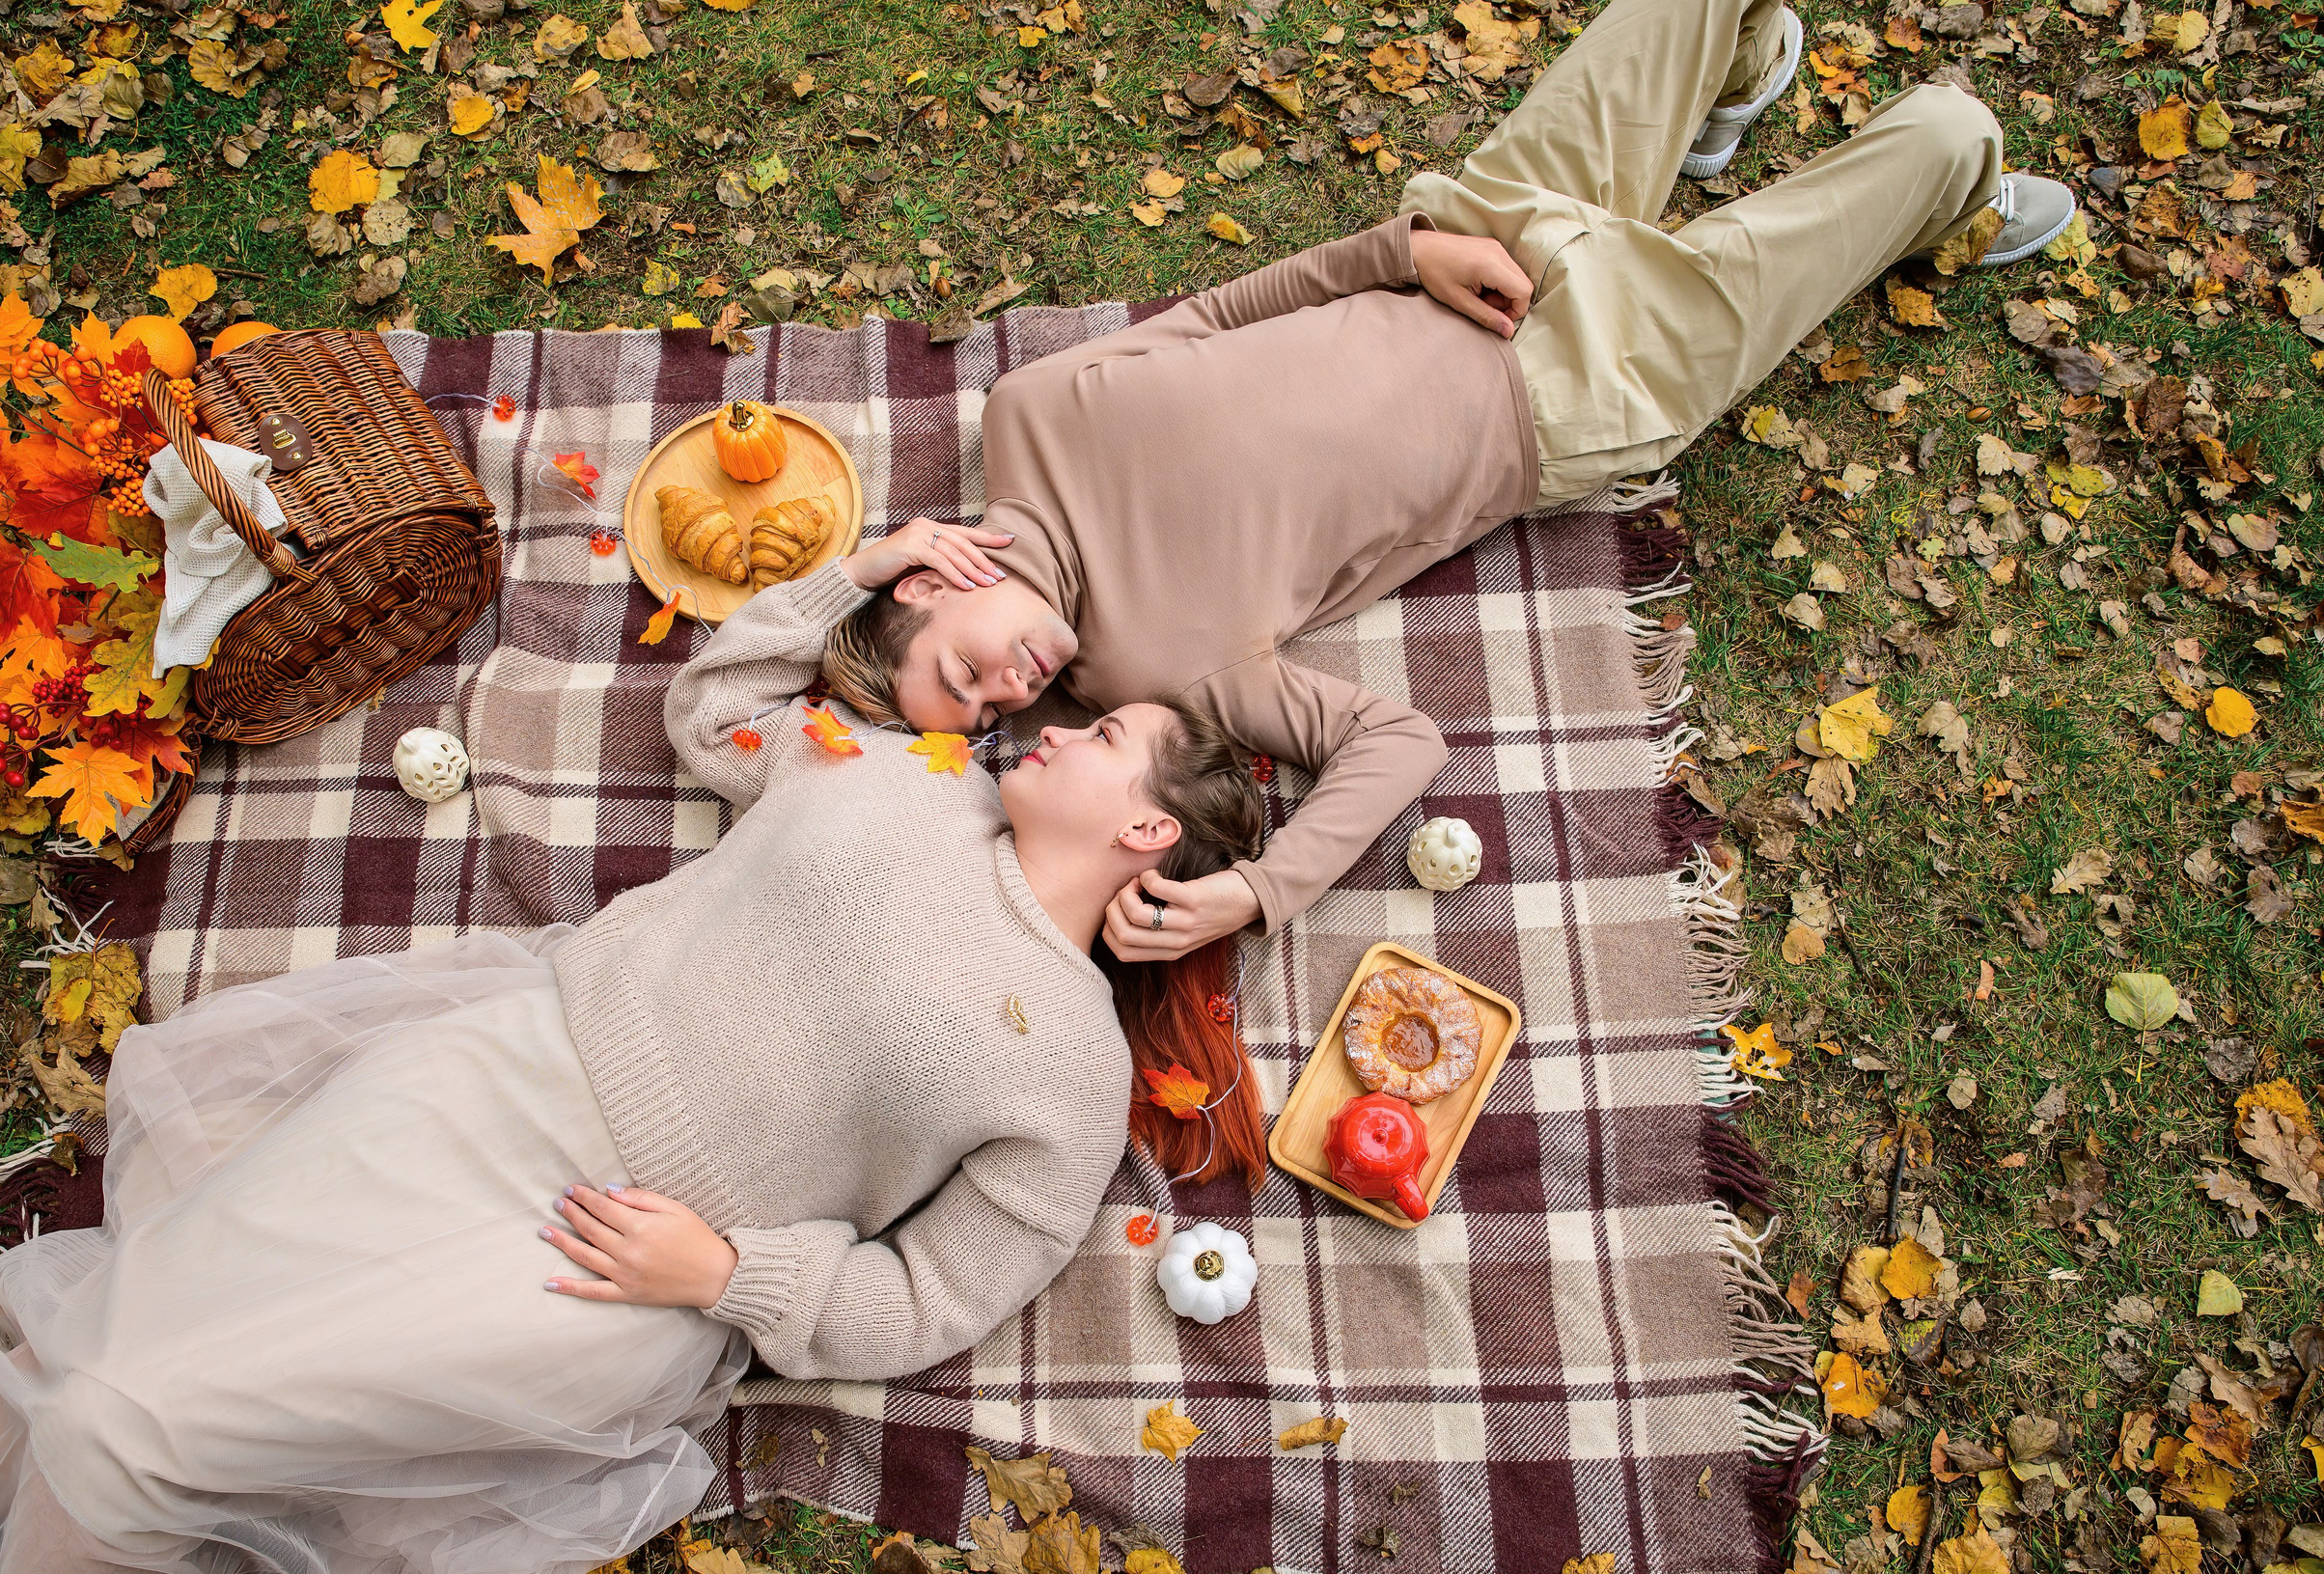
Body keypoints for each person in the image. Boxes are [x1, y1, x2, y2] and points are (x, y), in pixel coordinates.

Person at [0, 524, 1264, 1574]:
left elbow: (939, 1293)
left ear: (1145, 826)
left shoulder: (1074, 1066)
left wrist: (735, 1273)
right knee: (107, 1329)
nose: (1062, 727)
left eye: (1104, 737)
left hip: (611, 1264)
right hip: (494, 1072)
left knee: (122, 1422)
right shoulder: (900, 772)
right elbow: (717, 705)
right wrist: (869, 565)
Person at [818, 0, 2074, 962]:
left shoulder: (1026, 410)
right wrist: (1259, 890)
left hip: (1486, 234)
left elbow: (1218, 314)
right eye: (987, 723)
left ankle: (1737, 86)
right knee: (1949, 132)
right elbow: (1393, 742)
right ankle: (1958, 201)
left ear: (930, 576)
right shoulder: (1150, 673)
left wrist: (1404, 251)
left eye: (958, 676)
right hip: (1574, 387)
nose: (1007, 699)